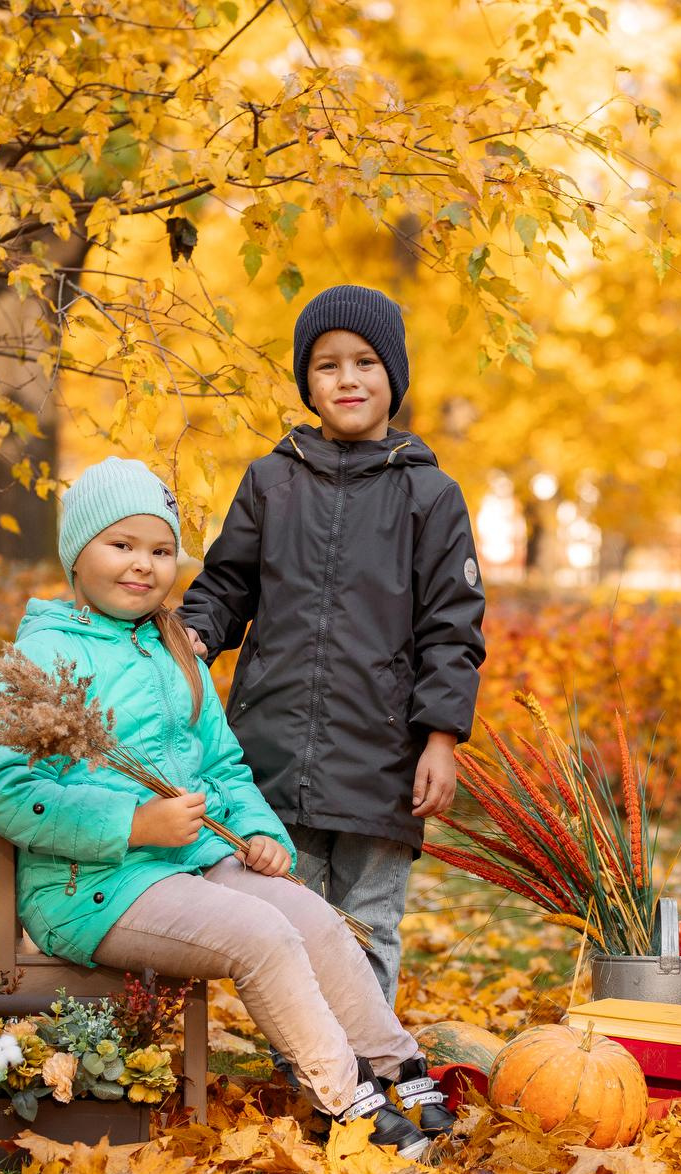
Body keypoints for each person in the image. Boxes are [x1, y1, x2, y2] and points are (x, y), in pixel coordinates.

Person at [0, 458, 453, 1156]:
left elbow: (222, 765)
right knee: (261, 933)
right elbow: (8, 792)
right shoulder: (45, 652)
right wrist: (133, 824)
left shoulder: (177, 649)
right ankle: (347, 1099)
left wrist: (259, 832)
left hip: (194, 865)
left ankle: (393, 1063)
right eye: (122, 545)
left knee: (312, 916)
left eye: (162, 550)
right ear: (78, 552)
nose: (143, 565)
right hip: (93, 889)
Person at [179, 285, 486, 1005]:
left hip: (383, 761)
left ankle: (368, 1070)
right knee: (287, 918)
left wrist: (440, 736)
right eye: (327, 366)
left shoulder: (430, 496)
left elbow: (453, 626)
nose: (347, 379)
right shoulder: (270, 481)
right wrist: (194, 634)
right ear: (307, 382)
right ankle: (310, 1071)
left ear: (394, 378)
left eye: (365, 362)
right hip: (275, 751)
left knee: (366, 925)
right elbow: (226, 583)